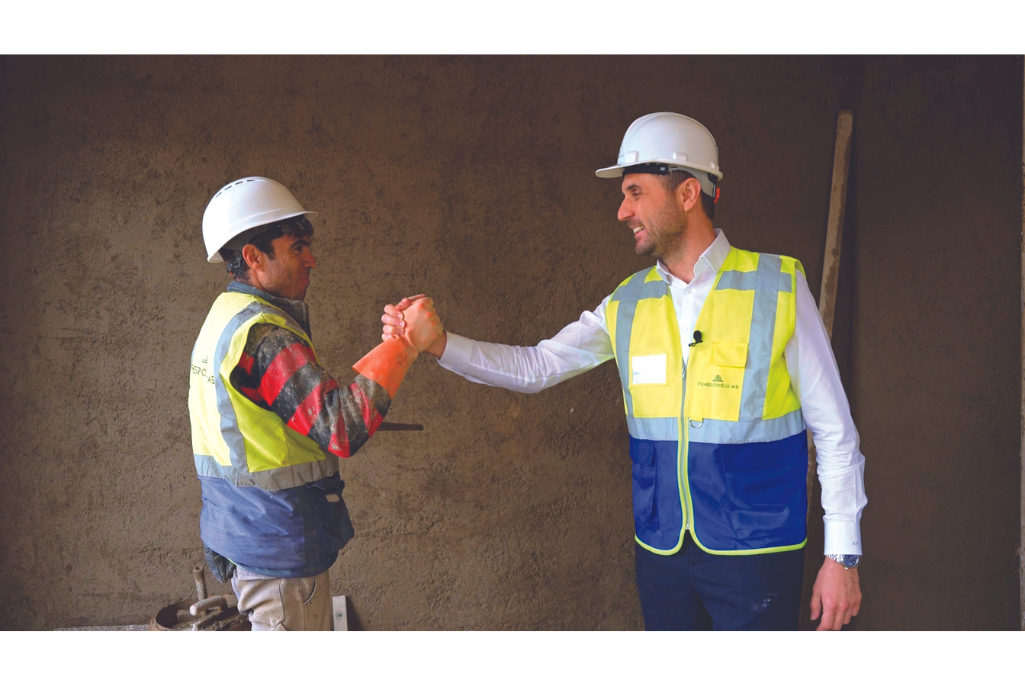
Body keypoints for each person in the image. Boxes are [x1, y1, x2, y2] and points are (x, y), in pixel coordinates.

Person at [382, 113, 866, 631]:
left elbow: (834, 431)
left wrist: (842, 556)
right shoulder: (627, 302)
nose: (622, 211)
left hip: (759, 554)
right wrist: (439, 343)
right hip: (662, 554)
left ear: (687, 193)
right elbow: (537, 366)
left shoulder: (779, 286)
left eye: (635, 193)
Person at [189, 176, 442, 630]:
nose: (312, 259)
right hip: (277, 550)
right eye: (297, 248)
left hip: (243, 533)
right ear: (253, 256)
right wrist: (403, 346)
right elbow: (341, 428)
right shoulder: (264, 334)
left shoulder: (224, 319)